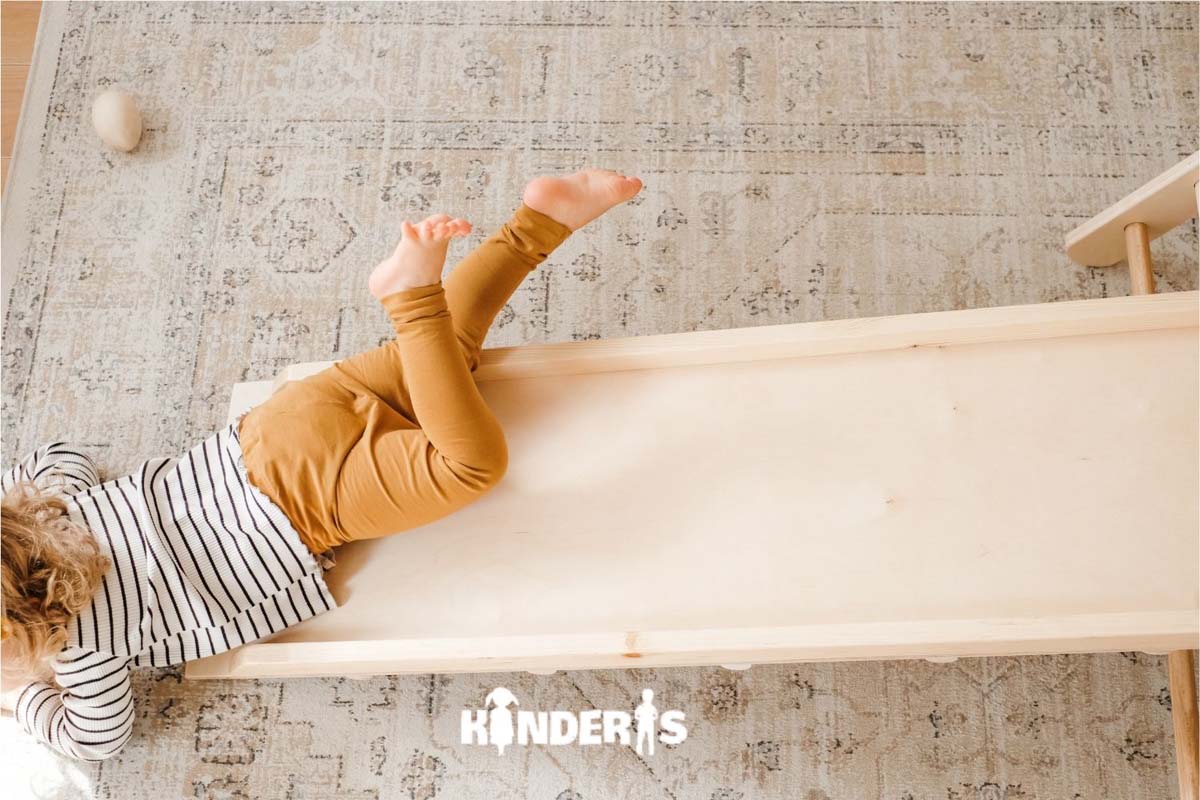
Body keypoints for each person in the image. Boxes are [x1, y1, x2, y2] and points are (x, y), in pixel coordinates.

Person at [0, 169, 644, 760]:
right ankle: (540, 218)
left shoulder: (82, 649)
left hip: (306, 504)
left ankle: (411, 293)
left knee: (468, 465)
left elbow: (99, 736)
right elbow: (60, 458)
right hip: (275, 428)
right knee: (447, 356)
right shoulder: (58, 511)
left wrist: (24, 694)